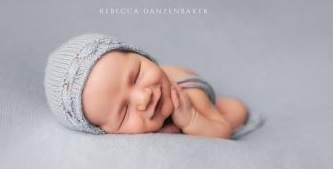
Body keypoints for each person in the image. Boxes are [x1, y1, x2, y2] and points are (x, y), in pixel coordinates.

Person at [44, 33, 266, 139]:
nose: (143, 98)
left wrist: (190, 120)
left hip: (194, 98)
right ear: (108, 131)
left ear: (142, 55)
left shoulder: (187, 93)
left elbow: (222, 132)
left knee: (235, 110)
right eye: (124, 112)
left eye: (137, 75)